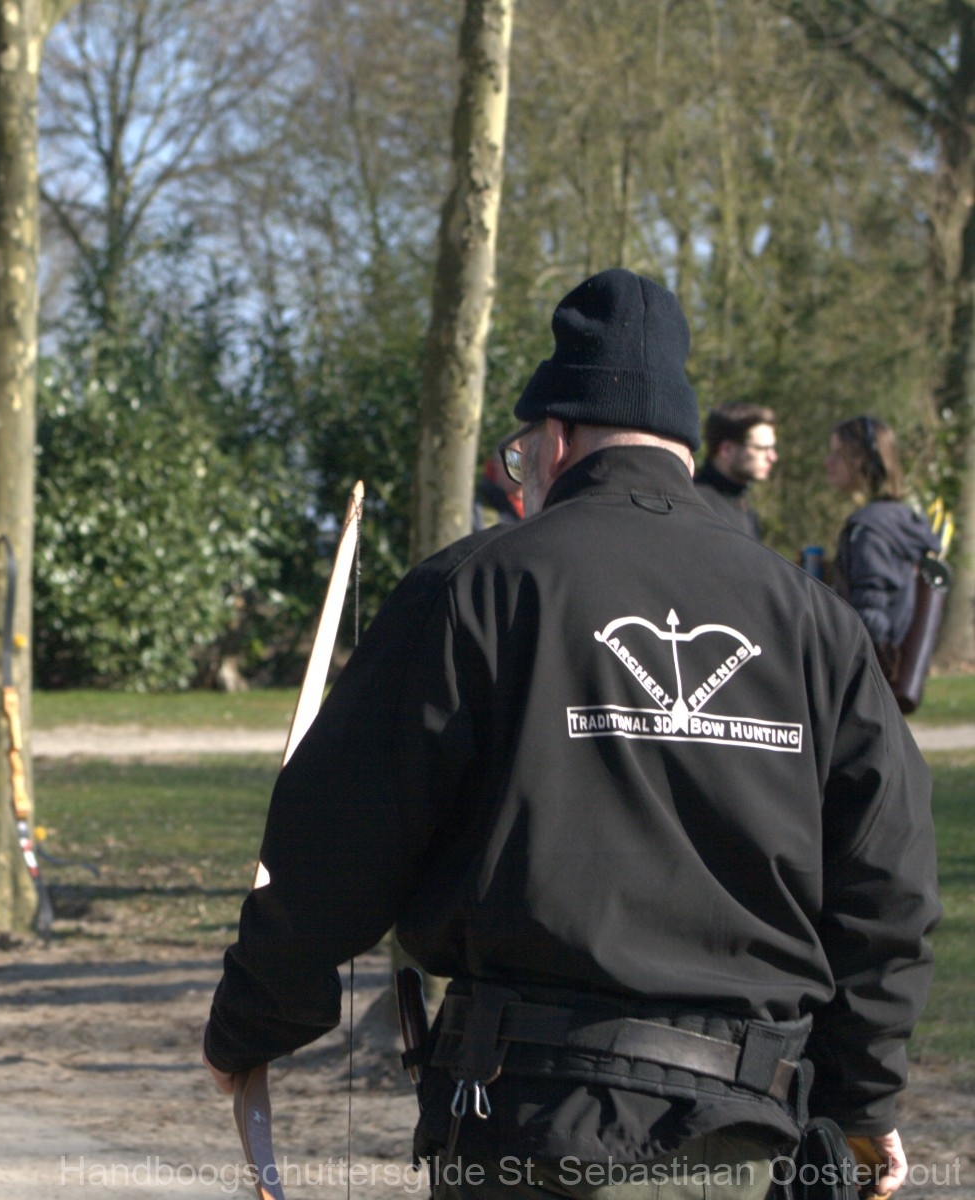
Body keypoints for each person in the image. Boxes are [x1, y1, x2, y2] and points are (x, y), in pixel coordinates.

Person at [203, 269, 937, 1200]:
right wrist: (863, 1098)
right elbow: (888, 882)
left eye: (521, 460)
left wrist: (253, 1023)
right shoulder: (813, 621)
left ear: (554, 438)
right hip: (746, 1144)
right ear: (681, 449)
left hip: (531, 1135)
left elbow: (339, 837)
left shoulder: (476, 588)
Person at [826, 414, 940, 672]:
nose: (828, 462)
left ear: (861, 459)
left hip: (870, 675)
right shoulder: (898, 520)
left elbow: (870, 617)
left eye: (838, 454)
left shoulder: (870, 530)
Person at [693, 403, 777, 540]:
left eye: (772, 448)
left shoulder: (746, 511)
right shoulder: (696, 504)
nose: (772, 457)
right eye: (761, 448)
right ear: (727, 449)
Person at [473, 450, 524, 530]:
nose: (524, 470)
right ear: (495, 465)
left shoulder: (535, 507)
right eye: (515, 460)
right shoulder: (477, 505)